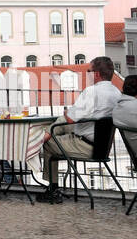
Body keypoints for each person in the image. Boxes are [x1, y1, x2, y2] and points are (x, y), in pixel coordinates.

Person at [37, 55, 121, 204]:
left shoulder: (91, 92)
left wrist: (68, 114)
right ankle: (47, 133)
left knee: (49, 142)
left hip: (86, 145)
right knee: (60, 125)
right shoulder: (116, 93)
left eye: (89, 71)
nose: (87, 74)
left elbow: (70, 118)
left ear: (96, 74)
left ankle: (53, 189)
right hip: (103, 145)